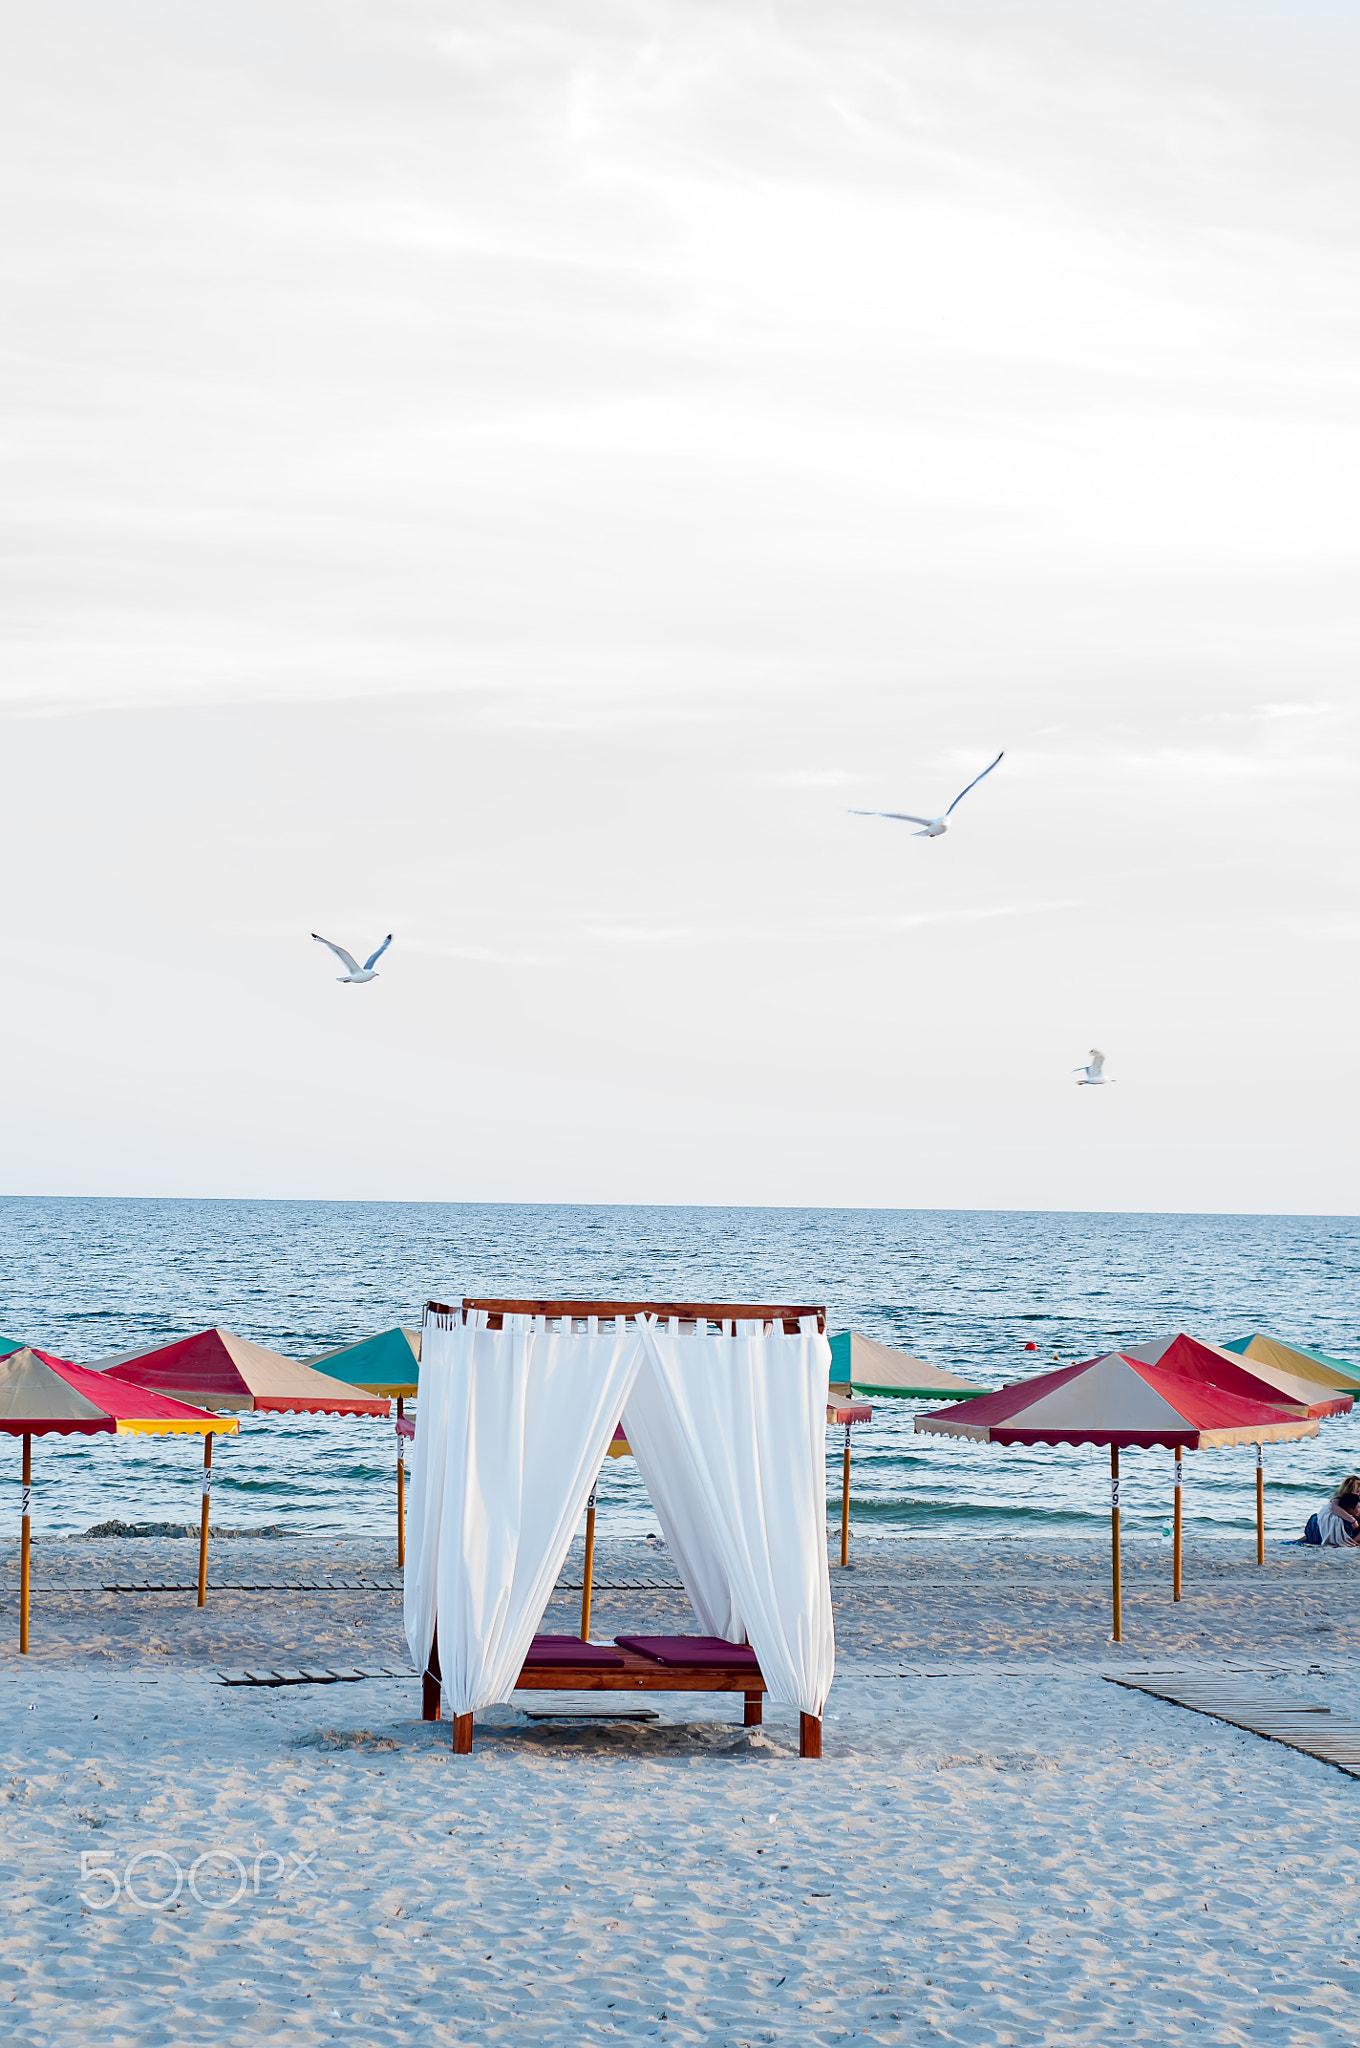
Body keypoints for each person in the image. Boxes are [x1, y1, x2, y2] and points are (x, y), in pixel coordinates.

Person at [1307, 1476, 1360, 1547]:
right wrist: (1352, 1521)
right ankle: (1352, 1542)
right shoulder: (1338, 1499)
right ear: (1349, 1490)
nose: (1358, 1494)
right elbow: (1333, 1507)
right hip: (1322, 1524)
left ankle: (1352, 1541)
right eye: (1357, 1491)